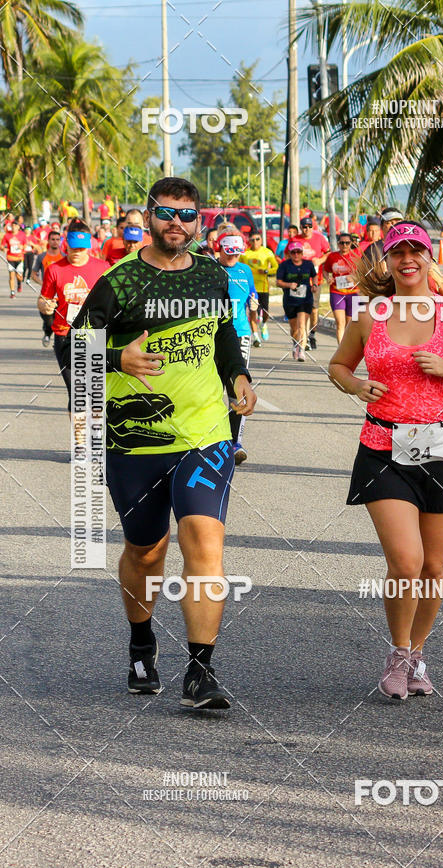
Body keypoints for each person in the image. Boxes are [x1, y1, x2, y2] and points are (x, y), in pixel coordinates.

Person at [60, 177, 256, 710]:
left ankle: (200, 670)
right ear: (148, 217)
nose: (177, 223)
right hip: (135, 439)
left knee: (204, 544)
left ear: (199, 222)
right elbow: (72, 348)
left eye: (188, 215)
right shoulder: (119, 282)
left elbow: (223, 336)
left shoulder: (214, 274)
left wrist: (237, 375)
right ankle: (142, 644)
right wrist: (114, 359)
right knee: (146, 551)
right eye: (167, 213)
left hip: (205, 435)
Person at [329, 221, 443, 700]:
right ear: (388, 261)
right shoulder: (369, 313)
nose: (407, 260)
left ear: (429, 256)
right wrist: (357, 385)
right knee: (406, 561)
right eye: (397, 252)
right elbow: (339, 365)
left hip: (442, 450)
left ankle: (416, 654)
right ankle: (398, 653)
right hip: (384, 450)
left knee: (434, 568)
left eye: (415, 251)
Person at [37, 220, 109, 413]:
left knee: (94, 392)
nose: (77, 253)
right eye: (74, 248)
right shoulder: (54, 269)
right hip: (65, 336)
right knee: (77, 393)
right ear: (66, 244)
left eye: (82, 248)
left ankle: (92, 440)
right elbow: (43, 300)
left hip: (94, 336)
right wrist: (46, 306)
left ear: (89, 247)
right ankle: (79, 442)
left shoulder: (103, 268)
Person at [217, 229, 256, 464]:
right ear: (219, 248)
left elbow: (251, 296)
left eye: (237, 253)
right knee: (211, 387)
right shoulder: (211, 269)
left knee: (237, 388)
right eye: (228, 253)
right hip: (214, 335)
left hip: (240, 334)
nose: (233, 258)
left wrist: (253, 304)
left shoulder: (245, 270)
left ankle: (234, 442)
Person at [276, 239, 317, 361]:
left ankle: (302, 350)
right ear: (289, 253)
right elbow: (278, 282)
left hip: (305, 299)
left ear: (302, 253)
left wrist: (314, 285)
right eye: (293, 252)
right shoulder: (284, 265)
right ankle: (296, 343)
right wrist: (289, 285)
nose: (296, 255)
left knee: (302, 325)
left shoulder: (308, 265)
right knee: (294, 328)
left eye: (298, 252)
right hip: (290, 300)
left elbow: (314, 276)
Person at [322, 232, 360, 343]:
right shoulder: (332, 256)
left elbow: (363, 273)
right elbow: (325, 270)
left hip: (353, 293)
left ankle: (348, 350)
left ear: (351, 244)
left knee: (350, 325)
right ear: (338, 244)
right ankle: (341, 350)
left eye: (347, 243)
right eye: (342, 243)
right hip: (337, 292)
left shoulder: (356, 256)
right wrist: (328, 278)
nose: (344, 246)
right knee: (340, 323)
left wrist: (354, 278)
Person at [240, 231, 277, 343]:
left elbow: (275, 267)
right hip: (250, 288)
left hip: (263, 287)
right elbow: (239, 268)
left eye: (257, 239)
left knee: (265, 312)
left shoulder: (267, 252)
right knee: (252, 312)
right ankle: (256, 337)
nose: (255, 242)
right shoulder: (245, 254)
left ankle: (264, 324)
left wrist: (266, 271)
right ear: (249, 241)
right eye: (252, 240)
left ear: (261, 240)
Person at [299, 215, 329, 349]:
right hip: (300, 281)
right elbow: (288, 255)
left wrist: (320, 260)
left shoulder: (319, 238)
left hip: (316, 279)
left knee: (314, 310)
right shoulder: (295, 240)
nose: (307, 229)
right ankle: (303, 337)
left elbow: (328, 253)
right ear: (301, 228)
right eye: (304, 227)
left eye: (309, 227)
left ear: (313, 227)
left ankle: (312, 334)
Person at [32, 229, 63, 347]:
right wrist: (43, 283)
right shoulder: (42, 257)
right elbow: (33, 275)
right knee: (48, 318)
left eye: (57, 240)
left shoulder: (64, 256)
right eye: (52, 240)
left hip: (61, 295)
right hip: (47, 295)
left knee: (61, 319)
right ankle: (47, 332)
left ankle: (59, 342)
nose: (55, 242)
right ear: (48, 241)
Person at [1, 221, 26, 297]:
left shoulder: (22, 235)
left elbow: (25, 245)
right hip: (10, 258)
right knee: (11, 276)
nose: (14, 227)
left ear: (18, 227)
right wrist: (3, 249)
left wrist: (22, 247)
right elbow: (2, 245)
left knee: (19, 277)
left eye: (15, 225)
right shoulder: (7, 235)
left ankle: (19, 283)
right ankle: (12, 292)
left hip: (20, 258)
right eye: (12, 226)